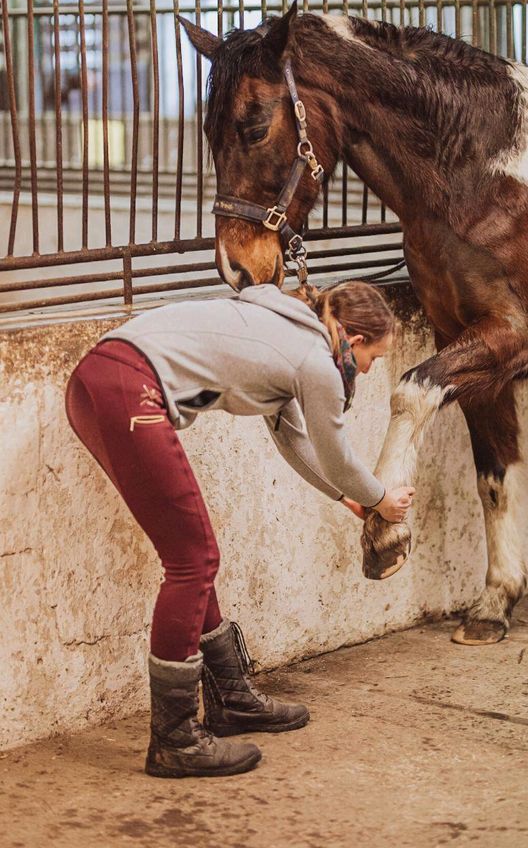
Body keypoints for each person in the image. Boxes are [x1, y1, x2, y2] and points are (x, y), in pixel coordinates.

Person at [65, 280, 415, 779]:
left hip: (96, 383)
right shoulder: (315, 361)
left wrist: (352, 500)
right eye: (374, 358)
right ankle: (175, 740)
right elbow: (336, 453)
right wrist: (384, 499)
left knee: (191, 554)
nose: (369, 369)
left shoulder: (287, 331)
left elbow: (296, 442)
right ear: (354, 339)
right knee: (194, 559)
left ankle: (231, 700)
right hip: (128, 387)